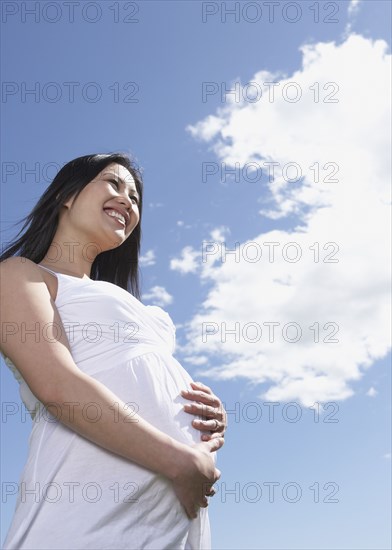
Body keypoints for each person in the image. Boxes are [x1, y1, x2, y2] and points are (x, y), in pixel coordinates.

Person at [0, 153, 227, 550]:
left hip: (170, 515)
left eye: (136, 198)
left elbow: (138, 375)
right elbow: (57, 384)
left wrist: (203, 413)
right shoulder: (22, 274)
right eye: (114, 184)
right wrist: (179, 460)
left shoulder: (147, 312)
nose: (128, 201)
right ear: (66, 196)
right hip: (86, 504)